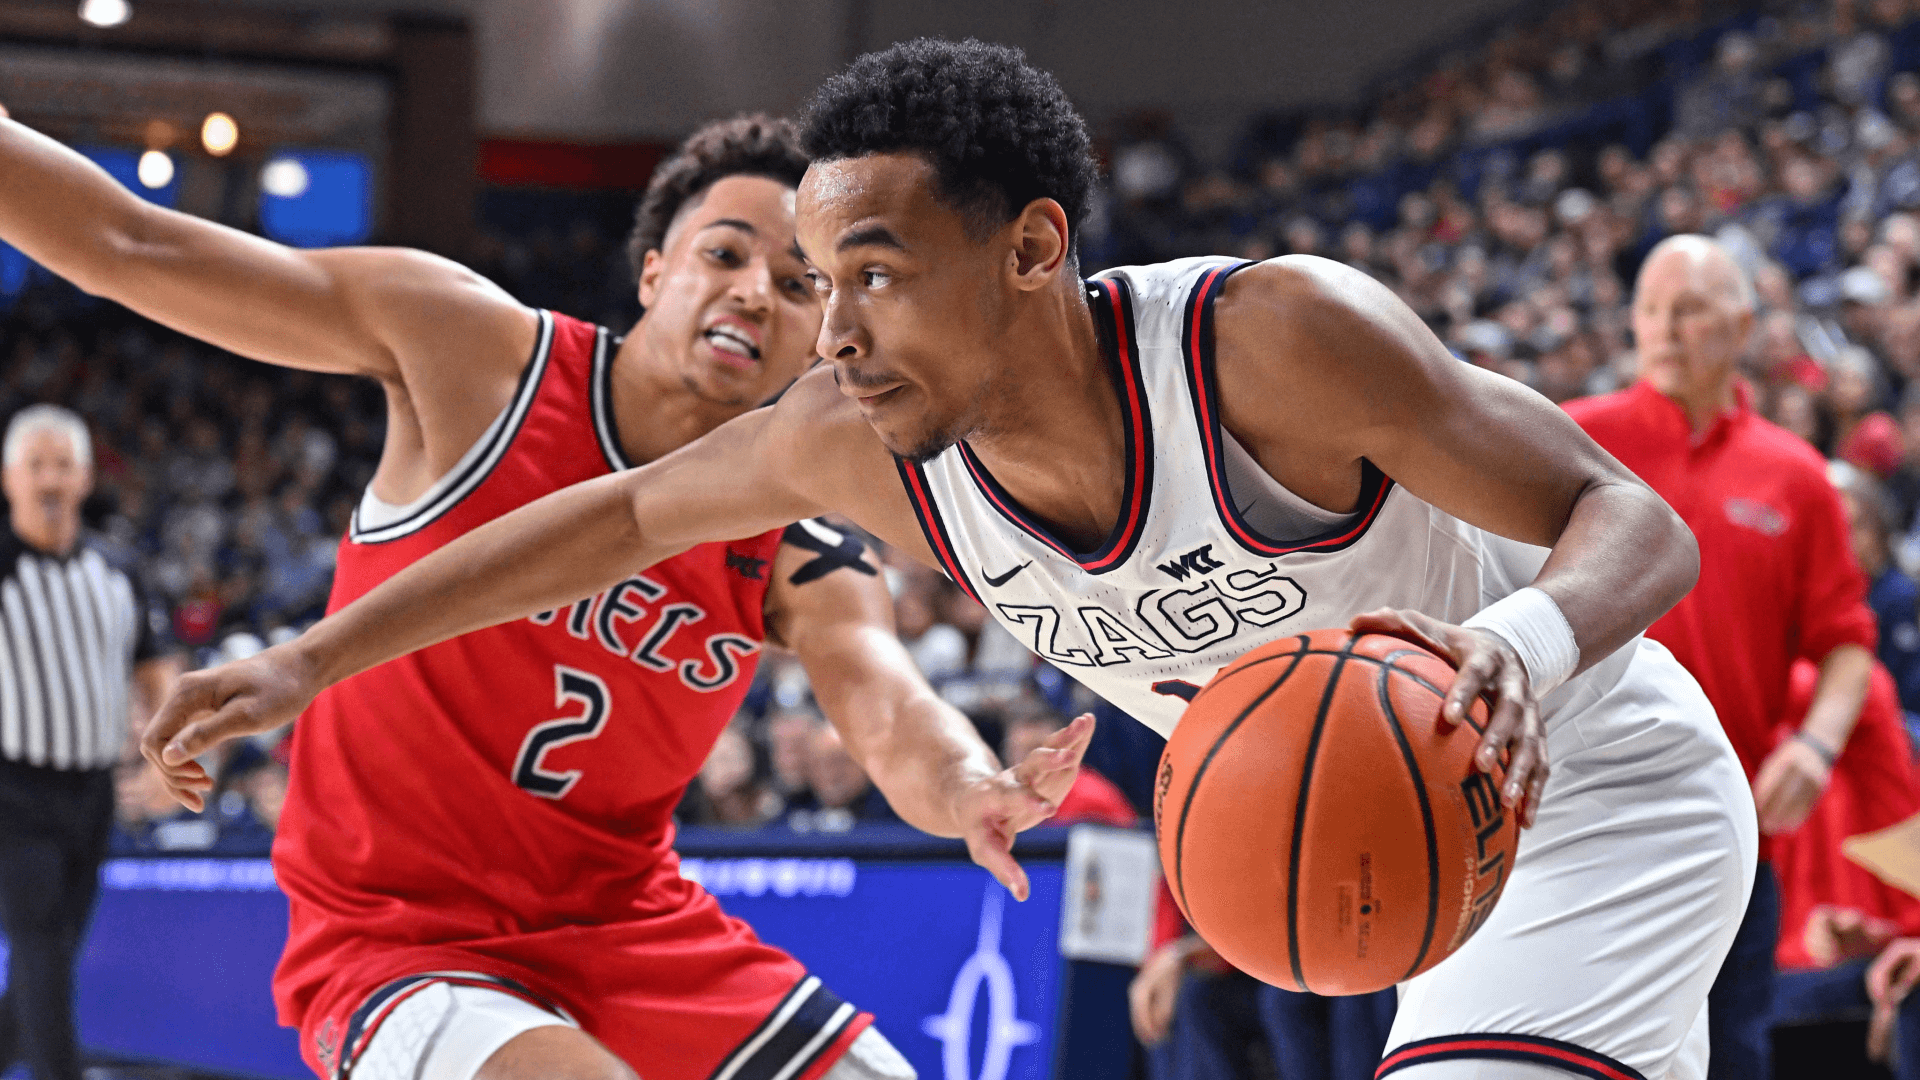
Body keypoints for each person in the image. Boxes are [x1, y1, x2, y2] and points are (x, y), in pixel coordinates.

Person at [146, 39, 1756, 1079]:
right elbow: (619, 521)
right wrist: (305, 660)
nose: (828, 332)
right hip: (1405, 840)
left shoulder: (1270, 342)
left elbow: (1640, 519)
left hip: (1594, 789)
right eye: (811, 279)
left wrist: (1525, 655)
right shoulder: (859, 438)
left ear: (1035, 249)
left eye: (872, 274)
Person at [0, 112, 1095, 1080]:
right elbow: (127, 242)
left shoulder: (802, 545)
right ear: (656, 272)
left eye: (802, 282)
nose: (758, 291)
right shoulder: (472, 354)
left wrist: (968, 789)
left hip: (631, 931)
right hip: (397, 931)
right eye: (727, 253)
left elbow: (889, 706)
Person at [1566, 234, 1881, 1080]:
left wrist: (1814, 747)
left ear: (1740, 325)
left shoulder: (1797, 476)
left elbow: (1846, 645)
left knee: (1731, 1057)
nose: (1665, 327)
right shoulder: (1570, 445)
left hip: (1731, 834)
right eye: (1650, 309)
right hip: (1587, 824)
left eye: (1690, 308)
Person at [0, 405, 180, 1080]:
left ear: (84, 478)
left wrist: (169, 759)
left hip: (93, 789)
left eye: (62, 465)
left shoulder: (118, 569)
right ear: (8, 477)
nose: (49, 479)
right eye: (35, 465)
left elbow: (156, 668)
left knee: (57, 951)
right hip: (13, 788)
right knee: (41, 945)